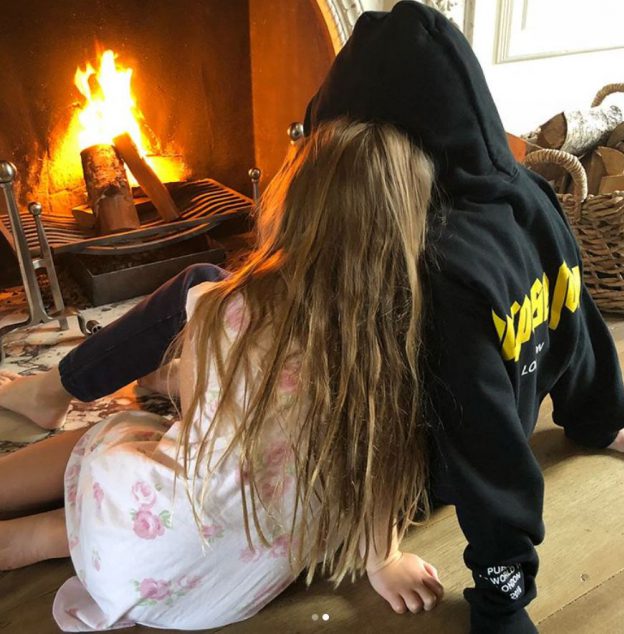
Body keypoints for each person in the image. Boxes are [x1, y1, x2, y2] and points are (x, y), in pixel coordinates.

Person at [0, 119, 445, 630]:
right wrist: (385, 562)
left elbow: (198, 422)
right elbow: (378, 473)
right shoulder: (385, 354)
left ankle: (33, 524)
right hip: (223, 592)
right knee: (210, 489)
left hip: (142, 553)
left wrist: (167, 381)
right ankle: (45, 538)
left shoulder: (216, 304)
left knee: (119, 433)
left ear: (289, 204)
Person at [302, 2, 624, 633]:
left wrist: (501, 597)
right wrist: (602, 416)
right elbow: (572, 311)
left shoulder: (437, 274)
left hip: (433, 470)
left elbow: (485, 447)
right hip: (500, 410)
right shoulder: (533, 193)